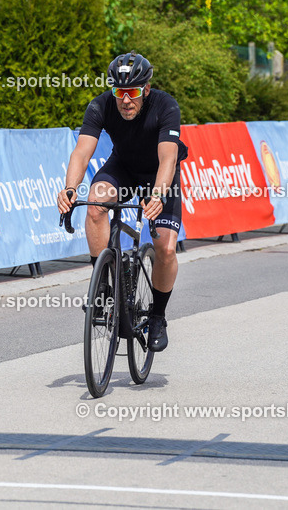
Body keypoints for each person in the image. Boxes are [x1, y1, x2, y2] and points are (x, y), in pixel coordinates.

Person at [57, 52, 187, 352]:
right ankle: (102, 285)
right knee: (95, 204)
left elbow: (168, 157)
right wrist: (69, 188)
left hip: (158, 174)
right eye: (119, 92)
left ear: (146, 89)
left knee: (166, 248)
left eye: (132, 92)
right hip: (124, 168)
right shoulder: (100, 105)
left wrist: (157, 194)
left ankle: (157, 316)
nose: (125, 100)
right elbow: (81, 152)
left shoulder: (166, 106)